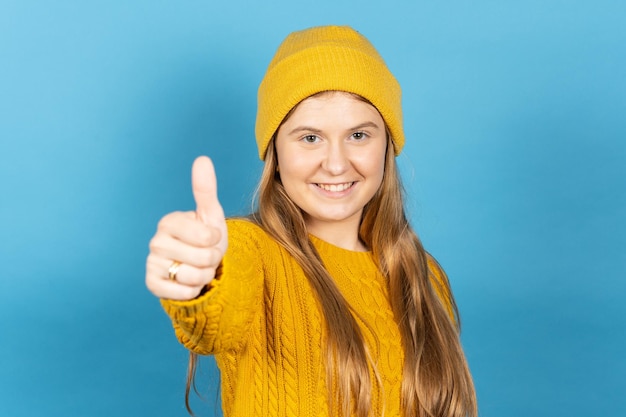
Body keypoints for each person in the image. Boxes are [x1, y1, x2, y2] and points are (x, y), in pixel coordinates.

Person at [145, 25, 477, 417]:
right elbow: (214, 317)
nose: (336, 164)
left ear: (387, 144)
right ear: (275, 153)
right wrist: (196, 277)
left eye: (358, 134)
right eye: (309, 138)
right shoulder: (249, 252)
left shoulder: (424, 277)